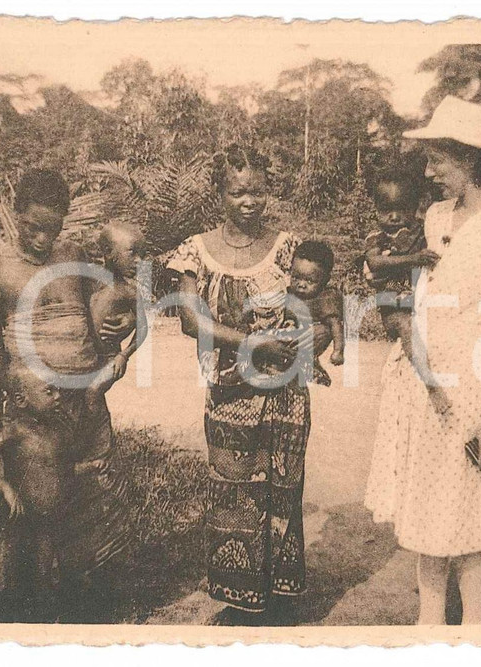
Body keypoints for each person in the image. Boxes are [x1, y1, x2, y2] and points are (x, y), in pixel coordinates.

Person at [364, 96, 481, 625]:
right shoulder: (438, 215)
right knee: (426, 510)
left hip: (470, 392)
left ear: (471, 159)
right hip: (422, 386)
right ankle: (430, 627)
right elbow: (417, 293)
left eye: (438, 159)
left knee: (468, 515)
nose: (429, 171)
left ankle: (476, 631)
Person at [167, 144, 327, 618]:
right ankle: (238, 598)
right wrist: (254, 343)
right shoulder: (194, 251)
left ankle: (278, 593)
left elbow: (326, 291)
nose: (249, 201)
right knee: (234, 489)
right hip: (230, 394)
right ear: (220, 192)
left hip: (287, 395)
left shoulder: (289, 246)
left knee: (283, 488)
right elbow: (191, 322)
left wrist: (326, 327)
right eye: (238, 191)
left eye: (257, 190)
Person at [0, 169, 130, 619]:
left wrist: (119, 330)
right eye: (33, 226)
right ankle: (25, 606)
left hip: (81, 401)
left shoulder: (74, 256)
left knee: (87, 499)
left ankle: (84, 599)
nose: (42, 238)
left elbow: (108, 309)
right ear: (16, 212)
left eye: (52, 228)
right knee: (36, 508)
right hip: (32, 408)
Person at [361, 167, 444, 407]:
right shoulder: (377, 238)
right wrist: (414, 259)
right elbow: (375, 261)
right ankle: (431, 383)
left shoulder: (422, 230)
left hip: (421, 301)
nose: (394, 217)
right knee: (407, 329)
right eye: (387, 210)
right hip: (394, 306)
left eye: (402, 209)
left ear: (415, 206)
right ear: (377, 209)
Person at [90, 221, 150, 379]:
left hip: (111, 359)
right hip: (87, 357)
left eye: (142, 256)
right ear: (108, 252)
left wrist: (124, 355)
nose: (139, 261)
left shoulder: (130, 292)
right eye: (132, 253)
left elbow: (143, 327)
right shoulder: (88, 282)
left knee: (92, 394)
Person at [283, 239, 345, 386]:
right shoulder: (288, 293)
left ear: (325, 280)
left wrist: (338, 350)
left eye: (309, 281)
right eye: (296, 277)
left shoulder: (324, 298)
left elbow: (335, 325)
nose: (301, 285)